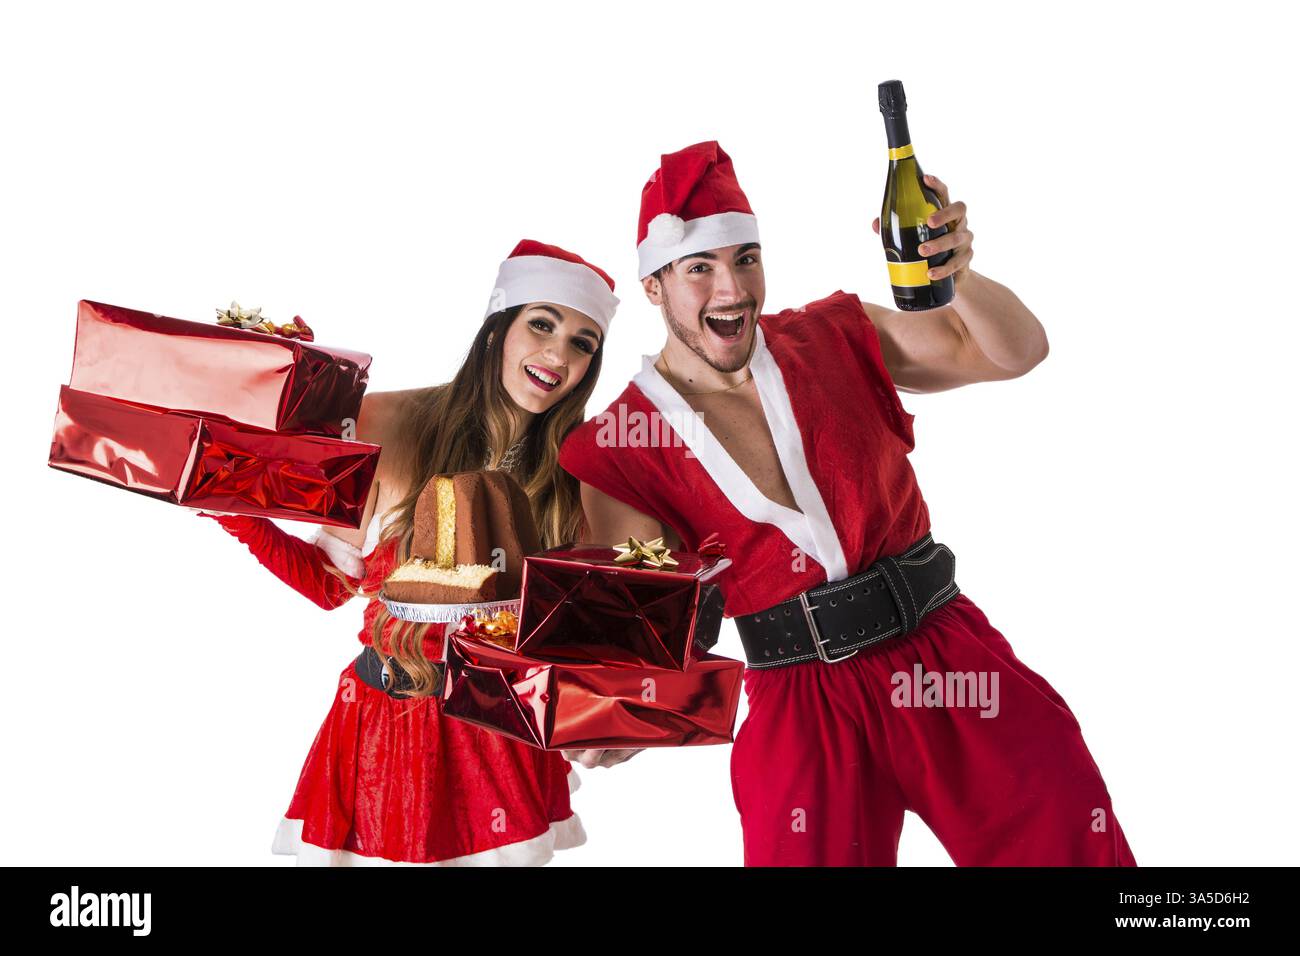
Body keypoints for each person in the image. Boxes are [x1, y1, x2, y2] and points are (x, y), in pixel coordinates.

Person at [557, 141, 1137, 866]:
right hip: (801, 707)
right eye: (700, 268)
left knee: (1065, 837)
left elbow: (1015, 352)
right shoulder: (616, 448)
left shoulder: (832, 334)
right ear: (653, 285)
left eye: (745, 259)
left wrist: (959, 273)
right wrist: (620, 715)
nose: (732, 289)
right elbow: (647, 621)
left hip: (944, 655)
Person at [201, 239, 619, 865]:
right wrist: (231, 502)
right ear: (496, 331)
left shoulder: (581, 470)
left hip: (500, 741)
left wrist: (611, 709)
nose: (558, 354)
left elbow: (591, 629)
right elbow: (330, 586)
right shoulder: (386, 424)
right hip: (380, 729)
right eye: (541, 324)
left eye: (583, 343)